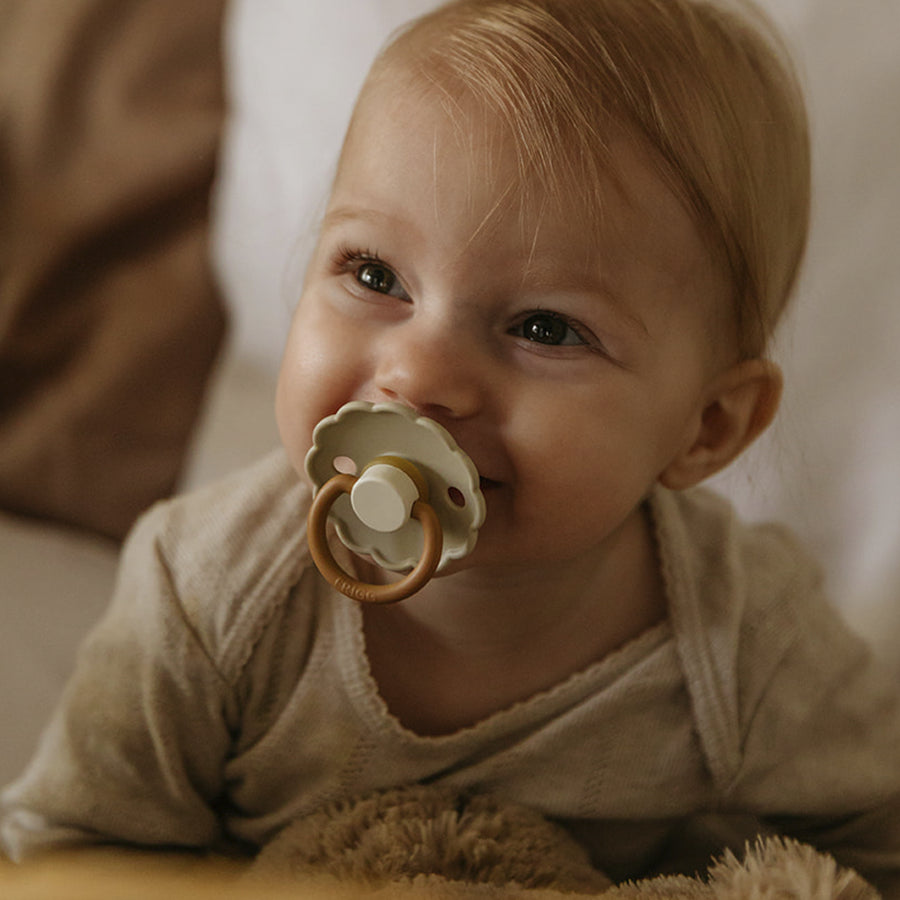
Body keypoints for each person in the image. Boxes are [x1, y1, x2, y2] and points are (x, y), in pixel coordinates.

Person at [3, 0, 899, 892]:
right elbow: (72, 863)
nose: (420, 375)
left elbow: (875, 842)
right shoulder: (206, 596)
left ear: (707, 428)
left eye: (545, 327)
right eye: (375, 274)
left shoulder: (742, 643)